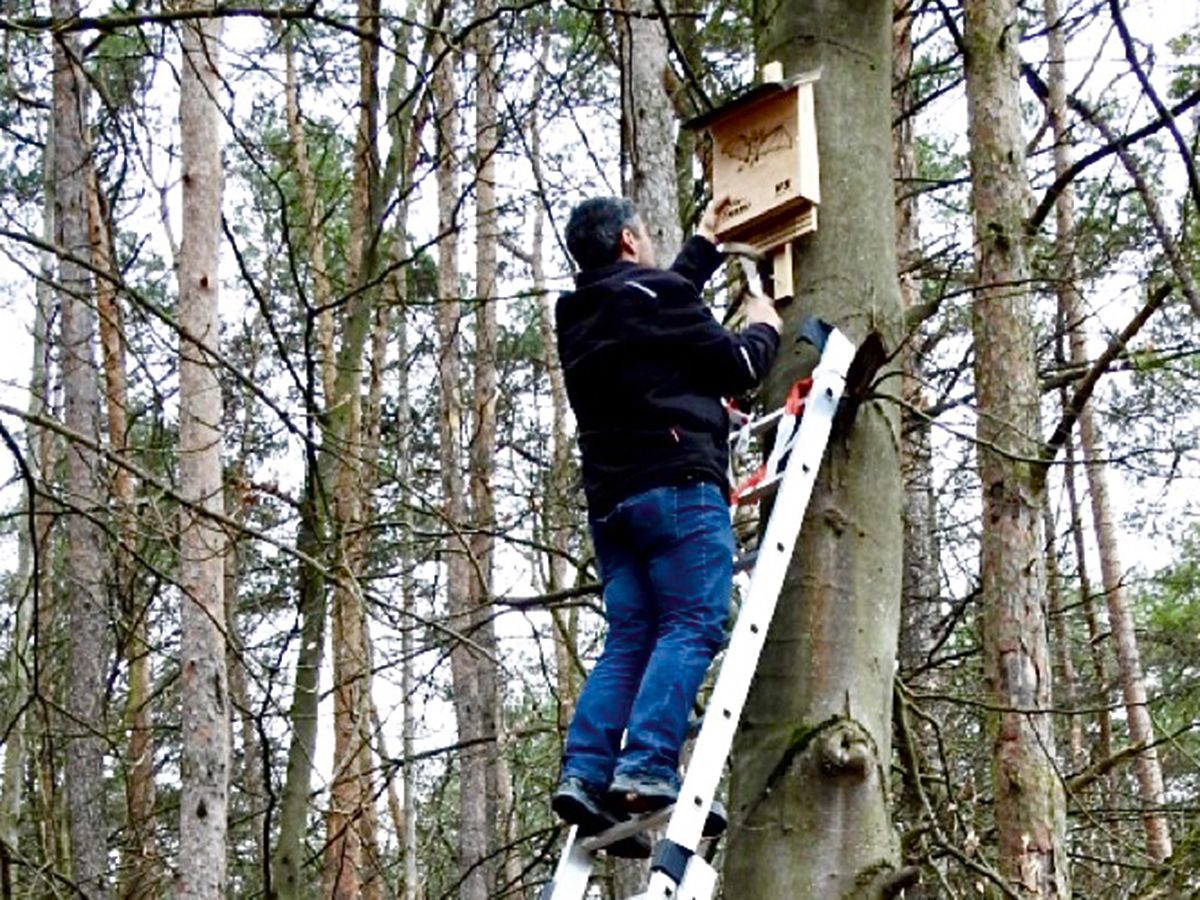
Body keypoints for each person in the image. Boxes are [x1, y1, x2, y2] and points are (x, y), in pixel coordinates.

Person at [551, 194, 783, 850]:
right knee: (691, 623)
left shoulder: (581, 315)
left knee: (630, 637)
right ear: (628, 240)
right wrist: (763, 325)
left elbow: (657, 298)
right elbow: (738, 367)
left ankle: (586, 774)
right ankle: (649, 765)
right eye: (646, 235)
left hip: (612, 506)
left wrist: (705, 244)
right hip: (676, 487)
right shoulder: (650, 300)